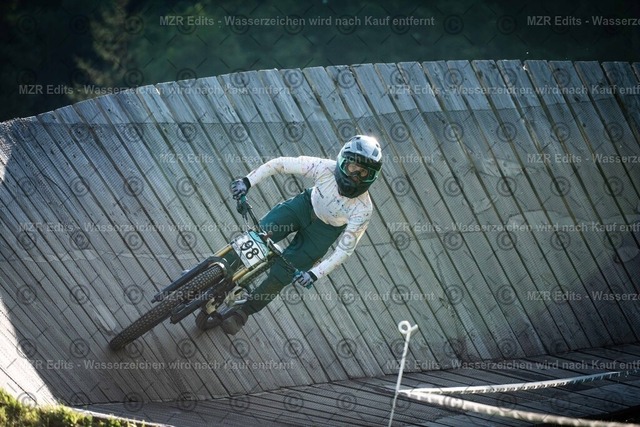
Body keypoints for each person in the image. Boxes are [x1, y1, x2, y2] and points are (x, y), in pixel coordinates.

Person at [220, 135, 383, 335]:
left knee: (281, 275)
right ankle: (216, 270)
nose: (355, 176)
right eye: (352, 167)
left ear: (371, 176)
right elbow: (280, 164)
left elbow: (345, 250)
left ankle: (243, 313)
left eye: (363, 172)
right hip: (303, 207)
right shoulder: (325, 168)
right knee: (255, 240)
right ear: (342, 162)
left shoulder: (364, 209)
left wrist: (315, 274)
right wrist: (247, 181)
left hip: (323, 233)